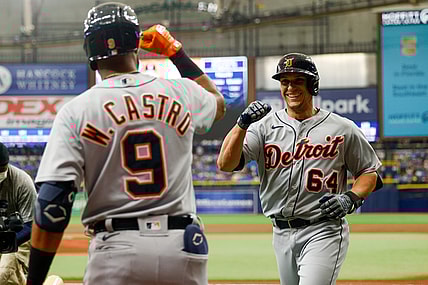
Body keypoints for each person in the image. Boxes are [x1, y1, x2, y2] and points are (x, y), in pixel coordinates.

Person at [26, 2, 225, 285]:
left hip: (116, 248)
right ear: (137, 44)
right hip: (183, 245)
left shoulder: (77, 110)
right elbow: (218, 104)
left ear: (90, 53)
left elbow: (52, 206)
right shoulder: (181, 92)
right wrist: (175, 52)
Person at [217, 53, 383, 285]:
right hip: (280, 232)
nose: (290, 87)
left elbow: (369, 171)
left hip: (323, 229)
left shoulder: (343, 128)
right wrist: (241, 125)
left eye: (298, 81)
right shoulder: (264, 127)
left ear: (312, 84)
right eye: (285, 82)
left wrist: (351, 197)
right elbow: (226, 164)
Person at [0, 142, 37, 285]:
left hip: (18, 236)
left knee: (3, 274)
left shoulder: (22, 181)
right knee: (12, 281)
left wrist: (9, 240)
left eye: (2, 168)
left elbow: (31, 223)